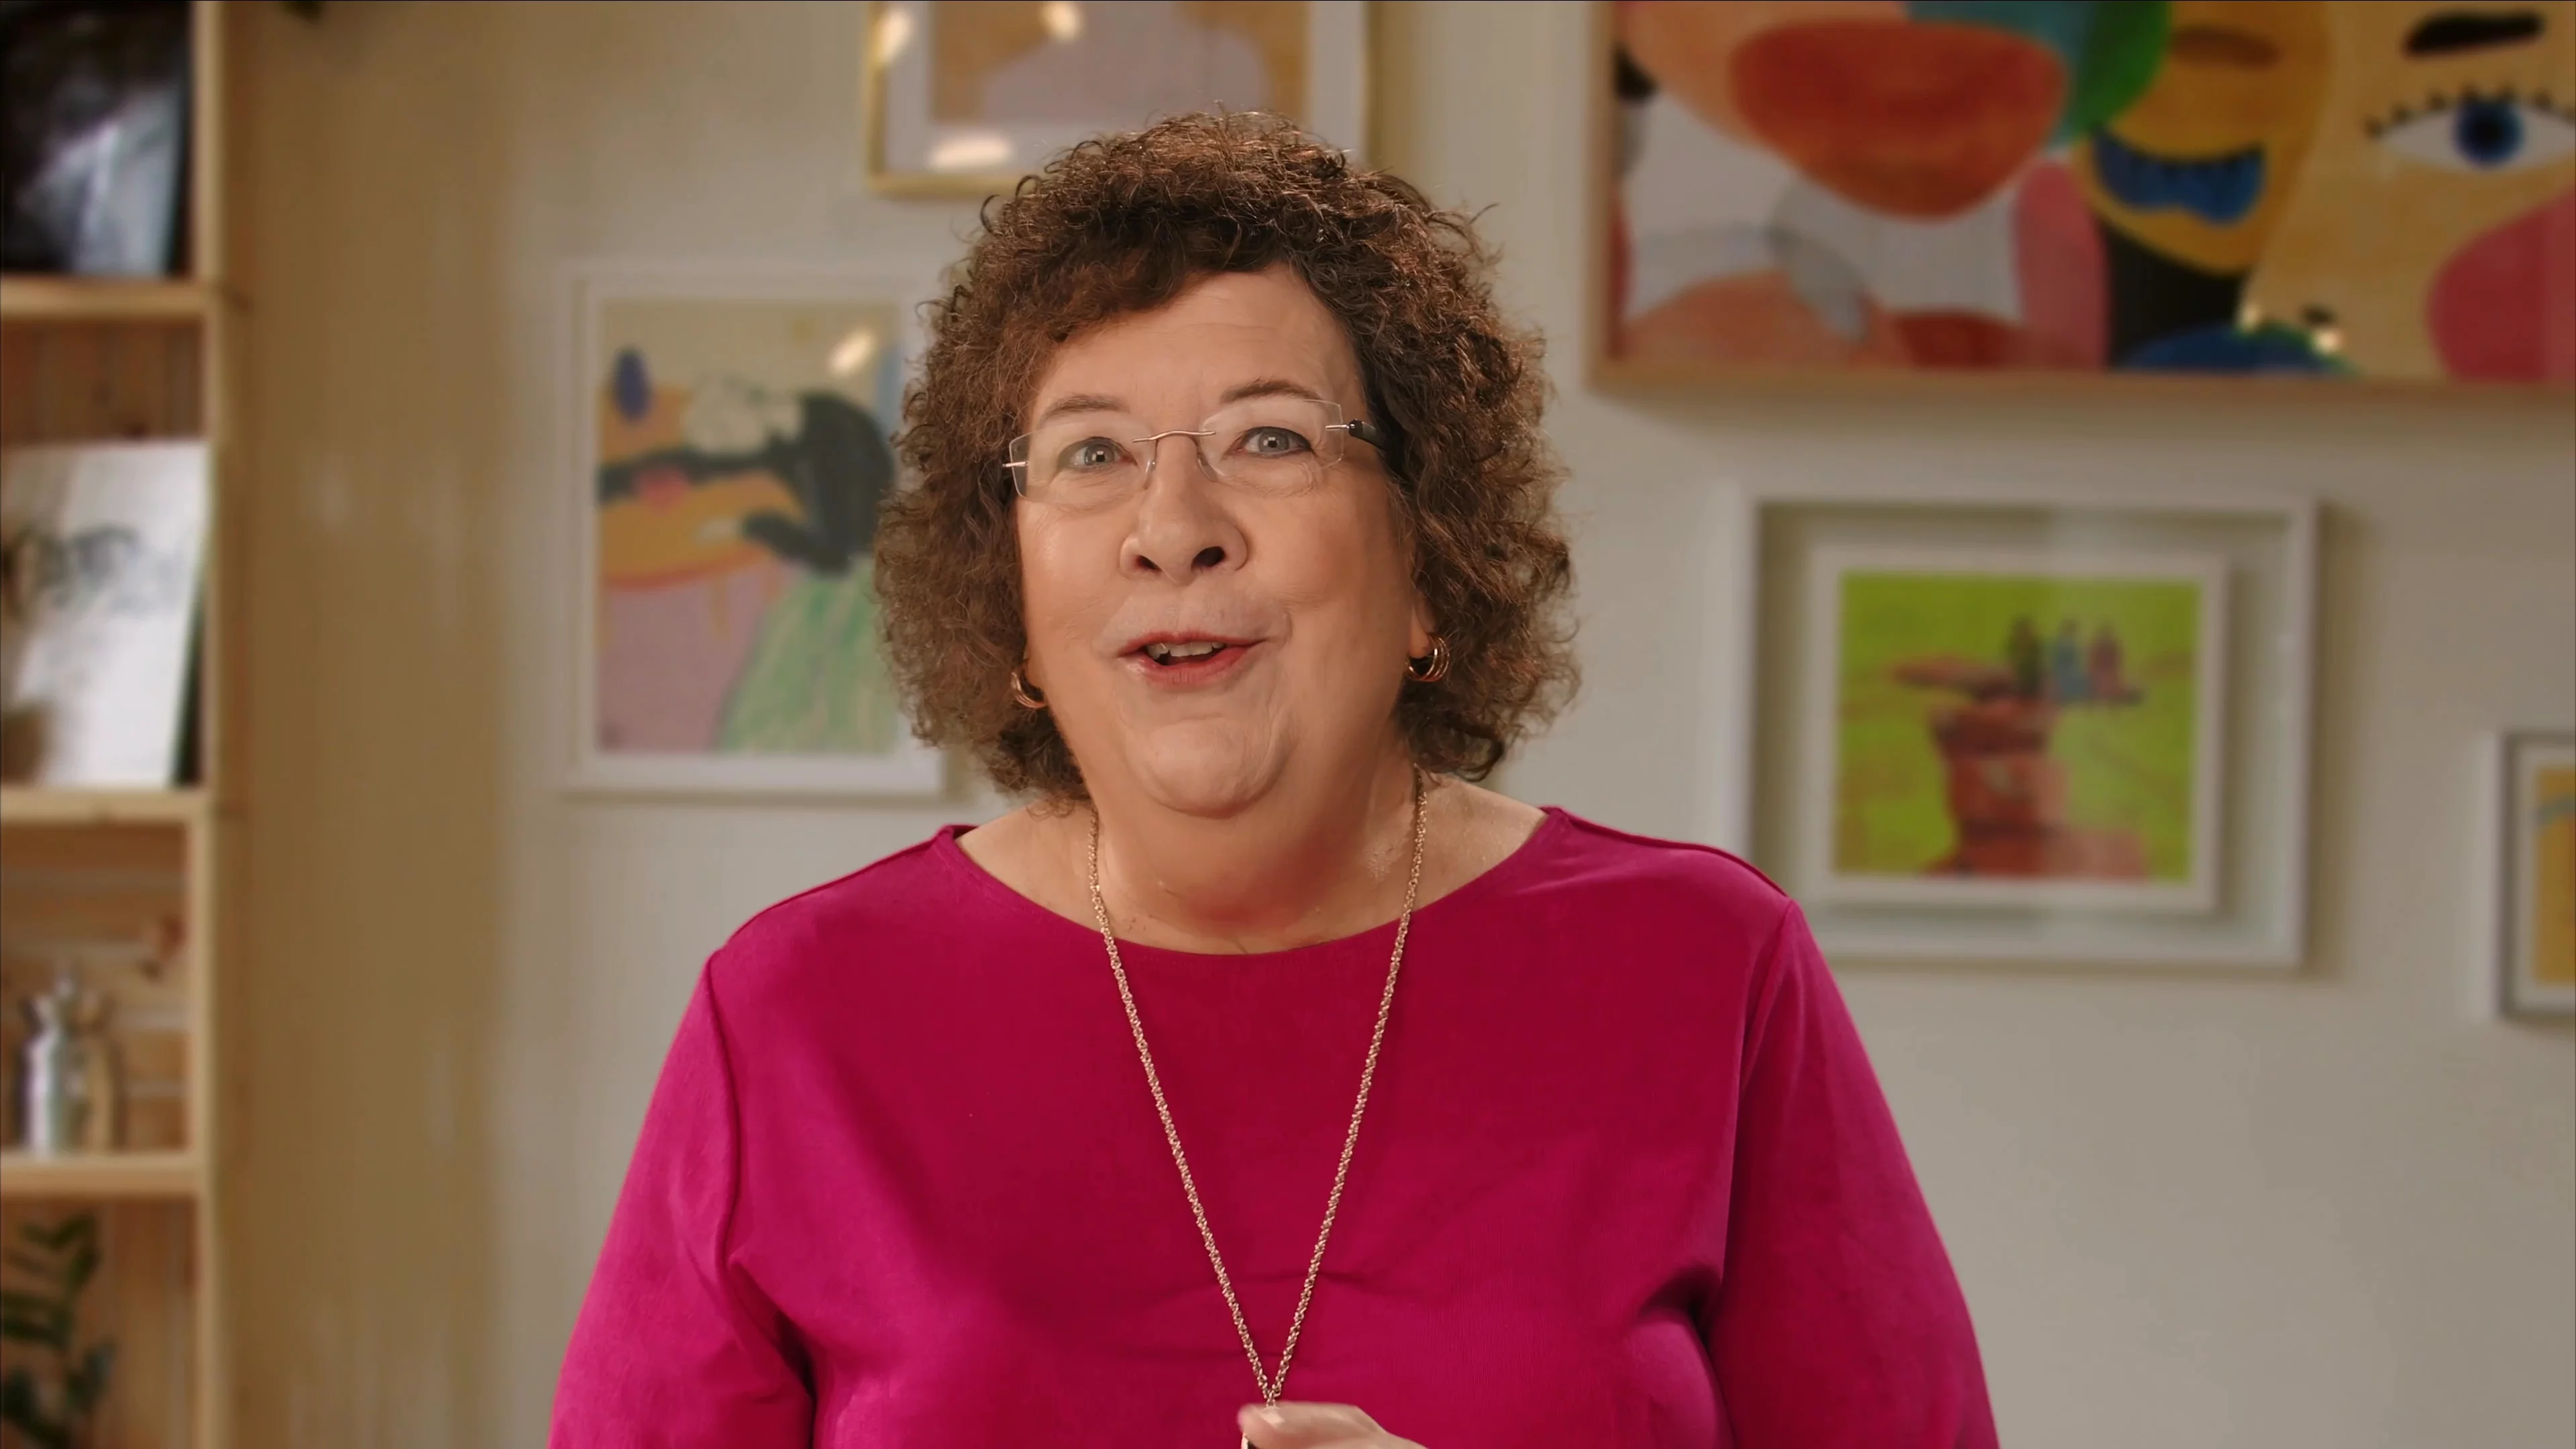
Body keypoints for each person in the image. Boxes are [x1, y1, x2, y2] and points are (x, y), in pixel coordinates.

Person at [551, 113, 1994, 1449]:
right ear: (1014, 608)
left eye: (1273, 439)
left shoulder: (1708, 967)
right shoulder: (795, 1012)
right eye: (1091, 453)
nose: (1173, 525)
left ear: (1428, 562)